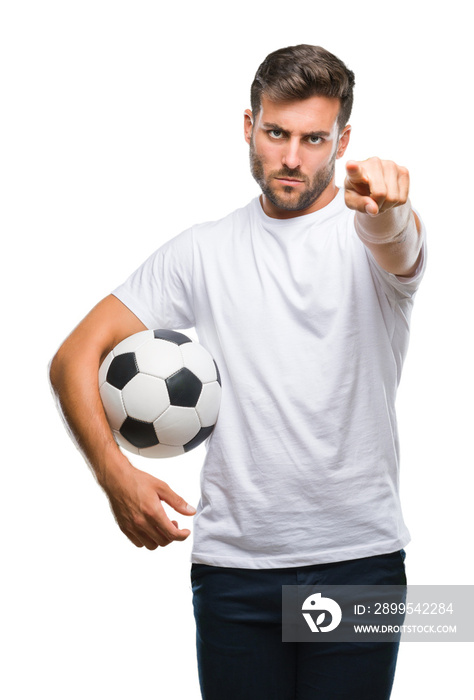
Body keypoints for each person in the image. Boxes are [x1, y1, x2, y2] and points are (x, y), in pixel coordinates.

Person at [50, 44, 426, 700]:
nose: (292, 157)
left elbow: (399, 243)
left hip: (359, 565)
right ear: (249, 126)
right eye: (277, 133)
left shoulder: (368, 232)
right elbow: (73, 357)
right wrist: (117, 476)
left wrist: (391, 206)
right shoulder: (203, 251)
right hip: (234, 571)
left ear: (343, 141)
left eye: (315, 139)